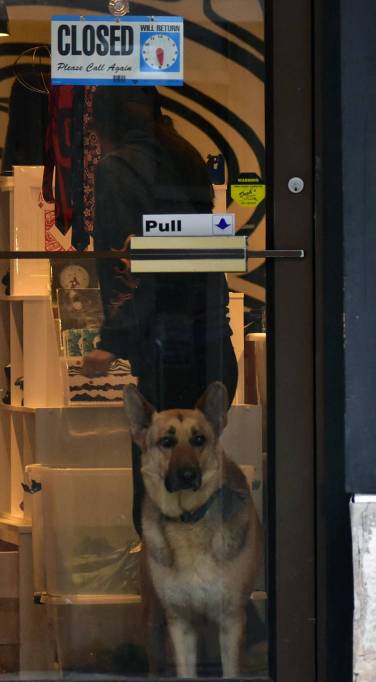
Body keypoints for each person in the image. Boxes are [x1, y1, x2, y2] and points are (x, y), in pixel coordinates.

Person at [80, 87, 237, 532]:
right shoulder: (184, 156)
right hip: (212, 347)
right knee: (205, 510)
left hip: (169, 356)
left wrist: (112, 342)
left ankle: (161, 603)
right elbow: (196, 258)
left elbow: (128, 265)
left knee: (159, 516)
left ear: (102, 124)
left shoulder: (118, 169)